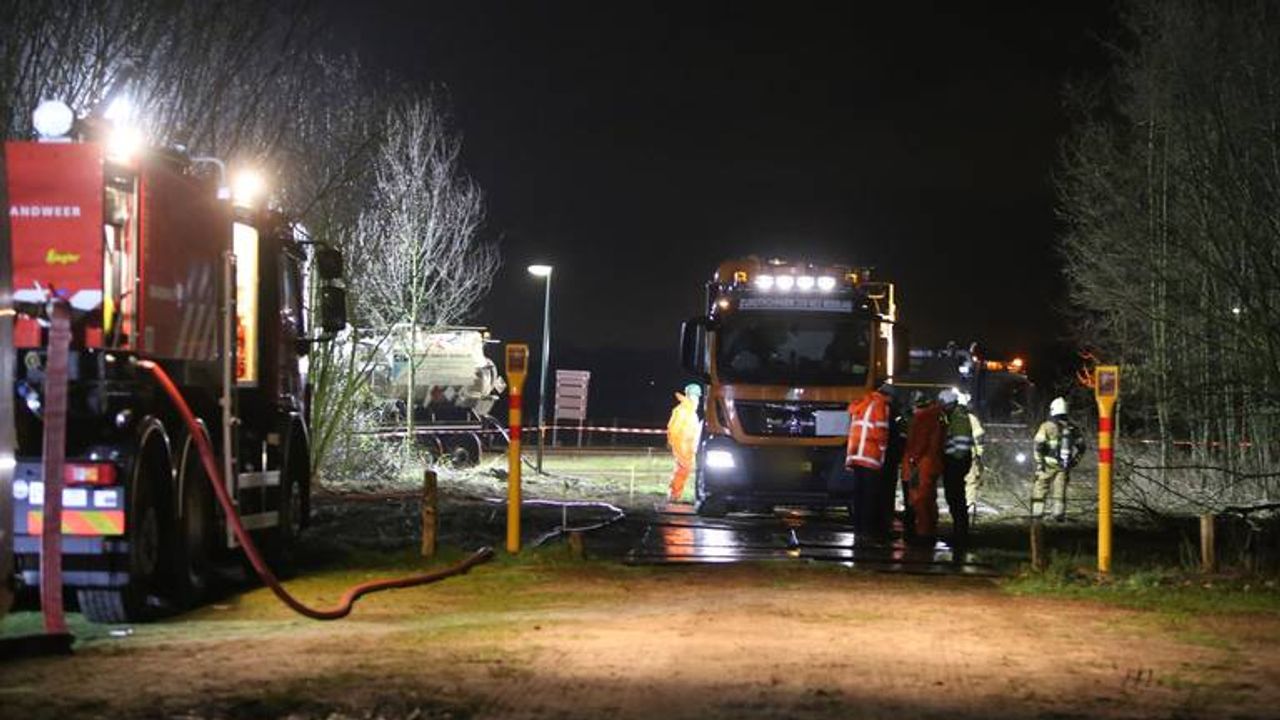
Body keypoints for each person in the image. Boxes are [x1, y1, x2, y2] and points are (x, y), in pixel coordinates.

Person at [844, 383, 893, 536]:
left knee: (858, 494)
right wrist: (883, 453)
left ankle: (858, 528)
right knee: (869, 496)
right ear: (888, 396)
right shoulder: (881, 405)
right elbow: (881, 432)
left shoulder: (863, 403)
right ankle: (867, 530)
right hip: (870, 456)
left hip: (855, 455)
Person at [1031, 396, 1086, 521]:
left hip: (1047, 465)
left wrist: (1039, 462)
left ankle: (1037, 515)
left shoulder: (1046, 426)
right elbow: (1082, 447)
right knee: (1059, 493)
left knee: (1040, 489)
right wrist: (1074, 462)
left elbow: (1038, 445)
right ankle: (1058, 516)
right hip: (1063, 467)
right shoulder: (1072, 428)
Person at [901, 393, 945, 544]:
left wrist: (913, 459)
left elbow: (919, 442)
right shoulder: (936, 417)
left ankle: (923, 533)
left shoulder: (923, 419)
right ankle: (930, 529)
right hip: (931, 463)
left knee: (920, 499)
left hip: (921, 465)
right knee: (929, 498)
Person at [939, 389, 974, 544]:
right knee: (954, 497)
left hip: (956, 463)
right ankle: (959, 532)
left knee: (956, 498)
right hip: (956, 462)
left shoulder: (958, 418)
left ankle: (960, 534)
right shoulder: (954, 416)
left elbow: (961, 445)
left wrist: (952, 460)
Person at [666, 383, 703, 502]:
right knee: (683, 470)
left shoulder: (689, 411)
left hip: (688, 446)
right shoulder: (683, 410)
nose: (697, 400)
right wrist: (675, 443)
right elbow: (674, 429)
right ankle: (674, 495)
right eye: (696, 396)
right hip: (683, 446)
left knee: (683, 470)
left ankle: (675, 494)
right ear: (690, 396)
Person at [961, 392, 987, 520]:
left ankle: (958, 505)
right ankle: (969, 505)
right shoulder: (971, 418)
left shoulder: (947, 417)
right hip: (969, 455)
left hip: (951, 456)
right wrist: (979, 454)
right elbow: (979, 437)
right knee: (971, 480)